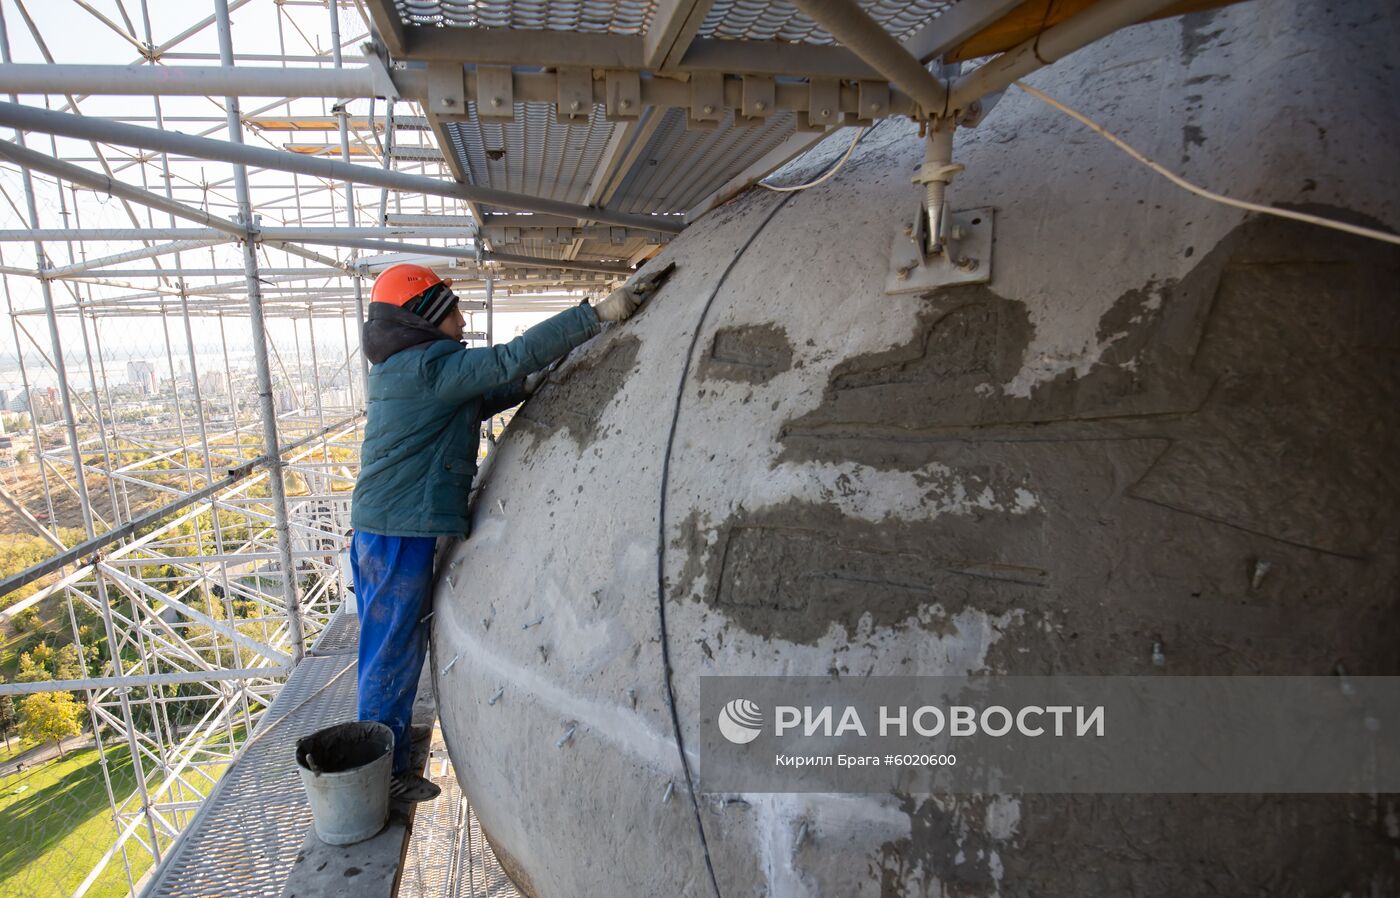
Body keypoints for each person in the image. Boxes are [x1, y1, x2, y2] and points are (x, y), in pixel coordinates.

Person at [349, 261, 672, 801]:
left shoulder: (415, 370)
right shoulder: (428, 366)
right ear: (423, 318)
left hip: (389, 524)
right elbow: (506, 360)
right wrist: (593, 318)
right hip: (394, 528)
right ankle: (381, 777)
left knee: (390, 641)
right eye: (451, 310)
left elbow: (481, 394)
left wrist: (529, 383)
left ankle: (383, 759)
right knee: (390, 646)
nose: (460, 319)